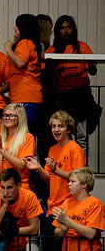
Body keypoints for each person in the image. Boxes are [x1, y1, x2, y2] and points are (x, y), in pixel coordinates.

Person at [25, 111, 85, 251]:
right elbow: (50, 179)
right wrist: (39, 168)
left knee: (59, 249)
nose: (56, 129)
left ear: (68, 128)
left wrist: (57, 170)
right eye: (53, 126)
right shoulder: (52, 149)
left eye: (60, 126)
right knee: (49, 247)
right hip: (53, 205)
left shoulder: (74, 148)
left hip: (67, 205)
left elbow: (79, 178)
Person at [45, 15, 98, 151]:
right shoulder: (52, 51)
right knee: (63, 134)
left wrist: (87, 62)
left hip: (81, 94)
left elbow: (93, 70)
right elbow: (45, 76)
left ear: (73, 29)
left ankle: (81, 169)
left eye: (69, 27)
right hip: (62, 96)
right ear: (58, 30)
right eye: (62, 28)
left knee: (81, 135)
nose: (66, 31)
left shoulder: (82, 47)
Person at [4, 14, 43, 126]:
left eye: (16, 25)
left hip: (26, 96)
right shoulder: (28, 43)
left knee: (22, 133)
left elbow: (20, 62)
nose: (14, 28)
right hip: (23, 95)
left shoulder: (25, 43)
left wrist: (8, 47)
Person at [0, 104, 35, 187]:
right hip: (1, 188)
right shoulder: (1, 138)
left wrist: (2, 150)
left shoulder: (27, 138)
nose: (7, 118)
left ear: (20, 118)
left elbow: (21, 165)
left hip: (19, 188)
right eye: (5, 115)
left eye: (11, 115)